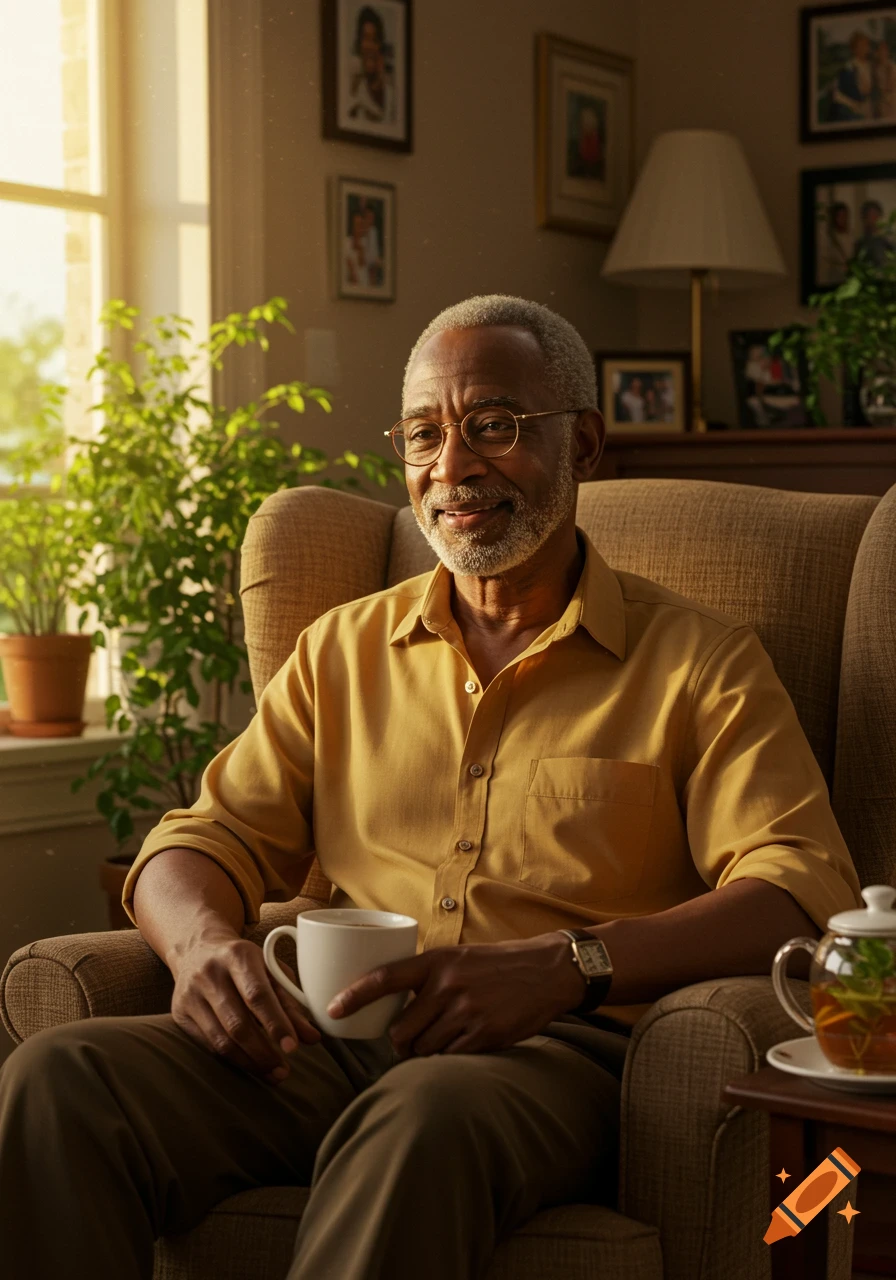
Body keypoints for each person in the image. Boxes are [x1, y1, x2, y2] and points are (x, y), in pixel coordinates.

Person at [0, 295, 862, 1280]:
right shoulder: (340, 650)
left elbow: (799, 891)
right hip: (328, 1039)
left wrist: (568, 962)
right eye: (422, 433)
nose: (451, 466)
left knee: (420, 1115)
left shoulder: (699, 662)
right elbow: (203, 837)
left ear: (584, 443)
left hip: (554, 1057)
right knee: (59, 1076)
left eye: (492, 425)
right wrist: (200, 947)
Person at [346, 4, 394, 126]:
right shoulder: (351, 81)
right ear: (359, 42)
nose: (370, 46)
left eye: (374, 40)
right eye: (366, 38)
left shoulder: (390, 88)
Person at [830, 30, 873, 122]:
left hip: (870, 110)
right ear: (854, 49)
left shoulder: (871, 66)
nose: (864, 48)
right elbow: (837, 94)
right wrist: (853, 106)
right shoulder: (849, 68)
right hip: (855, 113)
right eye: (860, 46)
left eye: (866, 45)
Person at [817, 201, 853, 285]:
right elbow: (827, 256)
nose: (843, 219)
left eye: (845, 216)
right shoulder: (829, 237)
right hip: (835, 276)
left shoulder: (851, 235)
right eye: (840, 216)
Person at [853, 199, 895, 269]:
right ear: (865, 218)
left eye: (876, 215)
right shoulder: (860, 243)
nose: (875, 218)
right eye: (871, 215)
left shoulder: (888, 239)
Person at [343, 207, 370, 287]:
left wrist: (361, 251)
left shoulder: (365, 243)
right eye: (357, 224)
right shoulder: (346, 242)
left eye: (361, 225)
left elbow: (364, 265)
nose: (359, 228)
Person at [873, 39, 896, 119]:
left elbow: (891, 85)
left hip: (892, 101)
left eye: (884, 50)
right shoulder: (875, 69)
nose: (882, 53)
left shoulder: (892, 67)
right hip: (881, 103)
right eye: (880, 50)